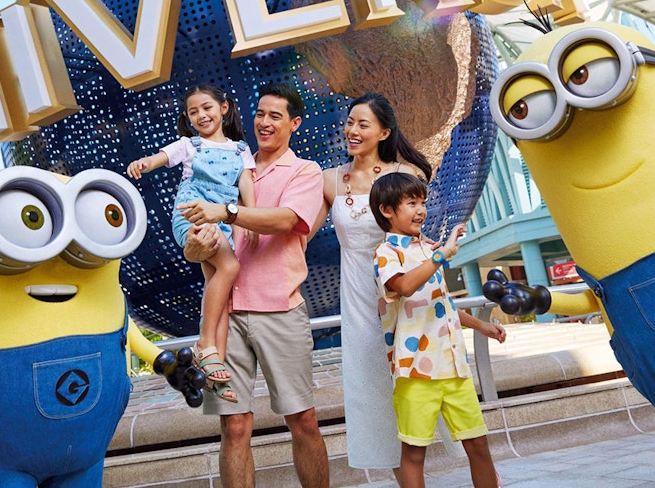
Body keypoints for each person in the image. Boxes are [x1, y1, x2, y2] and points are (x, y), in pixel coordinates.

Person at [180, 83, 329, 488]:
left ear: (294, 124)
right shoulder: (223, 163)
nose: (264, 122)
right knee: (234, 427)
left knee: (303, 420)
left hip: (279, 310)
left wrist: (227, 211)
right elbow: (200, 248)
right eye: (260, 113)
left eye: (275, 116)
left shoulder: (305, 171)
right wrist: (195, 245)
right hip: (226, 316)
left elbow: (285, 221)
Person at [317, 92, 447, 479]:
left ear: (384, 131)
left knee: (426, 383)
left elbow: (417, 237)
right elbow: (299, 228)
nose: (351, 130)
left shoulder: (406, 173)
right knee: (374, 392)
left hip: (404, 295)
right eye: (349, 122)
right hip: (358, 301)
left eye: (362, 124)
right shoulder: (329, 180)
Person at [370, 172, 506, 488]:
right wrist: (439, 255)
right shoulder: (386, 253)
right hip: (414, 370)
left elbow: (442, 305)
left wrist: (481, 325)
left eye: (422, 202)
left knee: (479, 447)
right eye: (411, 203)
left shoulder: (428, 249)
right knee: (415, 454)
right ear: (387, 210)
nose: (421, 210)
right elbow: (403, 285)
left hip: (454, 367)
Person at [127, 83, 255, 403]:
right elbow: (161, 157)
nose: (201, 115)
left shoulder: (241, 150)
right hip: (192, 217)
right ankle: (205, 345)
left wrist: (248, 225)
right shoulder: (190, 145)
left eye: (207, 108)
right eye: (193, 111)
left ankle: (214, 373)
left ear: (224, 108)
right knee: (230, 267)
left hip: (223, 225)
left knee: (220, 296)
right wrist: (144, 163)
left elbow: (247, 191)